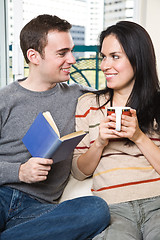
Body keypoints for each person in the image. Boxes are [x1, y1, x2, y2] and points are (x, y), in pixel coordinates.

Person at [0, 14, 110, 240]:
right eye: (62, 53)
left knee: (96, 210)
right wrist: (20, 171)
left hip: (38, 210)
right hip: (1, 195)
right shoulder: (5, 100)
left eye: (71, 50)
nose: (72, 59)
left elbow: (123, 93)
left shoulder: (79, 96)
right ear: (34, 56)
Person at [72, 20, 160, 240]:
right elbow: (78, 170)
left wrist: (139, 136)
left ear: (137, 60)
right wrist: (99, 143)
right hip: (112, 209)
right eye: (103, 57)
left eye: (115, 57)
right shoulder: (88, 105)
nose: (104, 65)